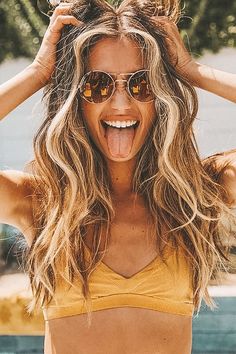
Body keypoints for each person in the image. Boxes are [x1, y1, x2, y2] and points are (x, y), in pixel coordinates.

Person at [0, 0, 235, 353]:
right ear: (75, 99)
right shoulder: (43, 202)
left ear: (162, 97)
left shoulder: (197, 196)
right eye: (97, 85)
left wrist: (193, 70)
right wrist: (37, 72)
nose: (122, 104)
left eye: (142, 84)